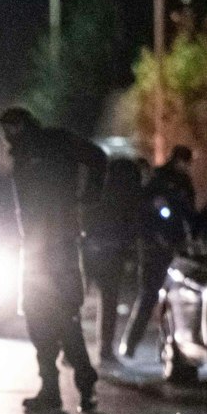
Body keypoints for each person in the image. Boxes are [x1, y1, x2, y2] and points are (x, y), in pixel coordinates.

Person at [0, 105, 105, 412]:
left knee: (65, 319)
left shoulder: (56, 141)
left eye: (13, 127)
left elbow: (97, 158)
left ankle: (84, 385)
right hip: (34, 249)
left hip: (60, 247)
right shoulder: (19, 155)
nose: (9, 134)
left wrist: (88, 200)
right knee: (37, 318)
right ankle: (51, 388)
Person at [122, 144, 197, 358]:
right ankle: (130, 344)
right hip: (154, 247)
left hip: (175, 245)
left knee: (174, 299)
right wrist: (154, 237)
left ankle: (167, 349)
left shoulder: (182, 182)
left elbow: (189, 213)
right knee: (148, 296)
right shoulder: (159, 180)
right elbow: (144, 213)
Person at [84, 157, 145, 366]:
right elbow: (132, 226)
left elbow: (85, 218)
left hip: (90, 250)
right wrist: (129, 254)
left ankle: (69, 348)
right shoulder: (130, 195)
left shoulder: (96, 189)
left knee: (75, 303)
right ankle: (105, 349)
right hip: (113, 253)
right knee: (109, 303)